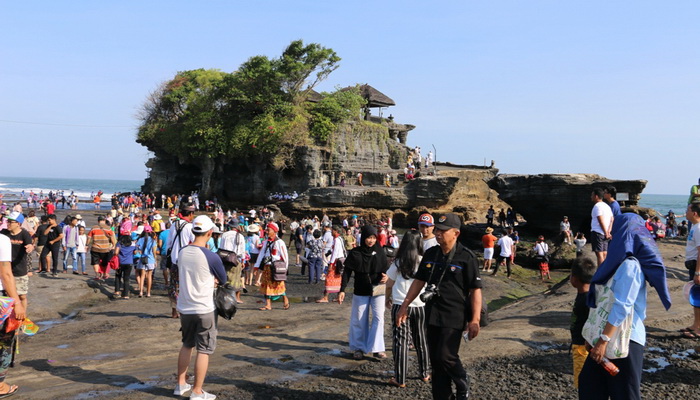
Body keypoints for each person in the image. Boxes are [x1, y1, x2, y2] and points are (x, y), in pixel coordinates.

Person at [579, 213, 671, 400]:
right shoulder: (615, 263)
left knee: (625, 394)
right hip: (607, 336)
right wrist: (593, 335)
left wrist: (603, 340)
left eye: (614, 229)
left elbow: (622, 307)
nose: (610, 234)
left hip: (625, 340)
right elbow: (603, 301)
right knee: (590, 386)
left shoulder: (630, 266)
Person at [396, 213, 482, 400]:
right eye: (437, 230)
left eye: (443, 230)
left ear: (456, 233)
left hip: (455, 314)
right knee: (435, 360)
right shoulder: (431, 253)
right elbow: (419, 281)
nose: (438, 233)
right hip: (432, 312)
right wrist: (405, 305)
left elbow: (476, 290)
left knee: (445, 355)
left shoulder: (466, 257)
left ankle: (462, 379)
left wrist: (474, 320)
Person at [174, 215, 226, 400]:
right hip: (204, 307)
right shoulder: (210, 255)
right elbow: (224, 279)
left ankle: (180, 384)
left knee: (187, 344)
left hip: (185, 306)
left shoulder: (182, 251)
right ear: (210, 232)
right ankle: (197, 391)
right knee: (204, 349)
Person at [385, 230, 430, 388]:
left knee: (400, 342)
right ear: (419, 244)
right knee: (421, 340)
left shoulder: (398, 262)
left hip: (400, 304)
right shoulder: (424, 261)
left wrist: (386, 299)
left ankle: (400, 378)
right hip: (419, 305)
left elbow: (389, 284)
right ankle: (424, 373)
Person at [338, 225, 389, 360]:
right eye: (368, 238)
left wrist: (387, 277)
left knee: (379, 318)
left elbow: (387, 269)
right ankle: (359, 348)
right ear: (363, 238)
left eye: (373, 238)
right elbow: (347, 272)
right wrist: (342, 290)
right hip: (360, 290)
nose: (371, 241)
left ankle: (377, 348)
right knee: (359, 319)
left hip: (378, 289)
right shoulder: (355, 253)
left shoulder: (380, 252)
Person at [0, 230, 26, 398]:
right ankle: (1, 386)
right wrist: (17, 303)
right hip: (1, 299)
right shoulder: (2, 240)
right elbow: (6, 273)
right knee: (4, 342)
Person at [569, 257, 596, 389]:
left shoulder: (586, 299)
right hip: (581, 344)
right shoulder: (588, 295)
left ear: (574, 278)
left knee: (583, 383)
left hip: (582, 346)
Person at [166, 205, 196, 319]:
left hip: (174, 259)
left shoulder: (174, 224)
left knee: (174, 286)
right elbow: (194, 242)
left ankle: (174, 311)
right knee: (186, 286)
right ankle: (184, 309)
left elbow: (169, 243)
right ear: (190, 214)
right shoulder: (189, 227)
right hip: (186, 260)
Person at [2, 212, 34, 313]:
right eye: (7, 221)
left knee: (22, 295)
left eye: (11, 222)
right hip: (5, 270)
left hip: (20, 269)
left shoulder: (24, 234)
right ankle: (9, 319)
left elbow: (30, 244)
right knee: (8, 295)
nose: (8, 223)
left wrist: (30, 247)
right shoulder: (3, 233)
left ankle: (22, 317)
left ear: (18, 224)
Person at [254, 222, 290, 311]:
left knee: (278, 284)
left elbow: (285, 256)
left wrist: (286, 268)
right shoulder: (266, 242)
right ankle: (268, 304)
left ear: (274, 231)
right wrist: (257, 266)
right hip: (267, 266)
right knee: (266, 285)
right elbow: (261, 254)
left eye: (268, 230)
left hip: (275, 267)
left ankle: (285, 300)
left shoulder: (279, 242)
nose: (266, 232)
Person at [679, 203, 700, 338]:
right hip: (693, 266)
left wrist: (698, 272)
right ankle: (696, 325)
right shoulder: (695, 227)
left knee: (698, 297)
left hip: (697, 267)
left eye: (688, 210)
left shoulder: (698, 229)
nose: (686, 212)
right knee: (696, 297)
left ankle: (698, 329)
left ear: (695, 213)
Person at [317, 225, 345, 303]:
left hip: (336, 262)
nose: (331, 232)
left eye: (332, 230)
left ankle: (326, 297)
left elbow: (335, 253)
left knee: (328, 279)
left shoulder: (336, 240)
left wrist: (331, 264)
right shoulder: (339, 239)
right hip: (339, 261)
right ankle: (338, 296)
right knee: (338, 279)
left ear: (336, 231)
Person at [87, 216, 116, 280]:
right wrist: (114, 245)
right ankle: (105, 273)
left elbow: (89, 237)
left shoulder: (94, 228)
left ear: (98, 221)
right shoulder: (108, 228)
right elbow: (112, 238)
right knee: (104, 262)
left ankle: (97, 275)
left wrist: (87, 245)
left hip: (95, 248)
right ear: (104, 221)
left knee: (95, 262)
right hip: (105, 249)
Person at [591, 188, 613, 266]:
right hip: (605, 233)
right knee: (604, 254)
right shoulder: (607, 206)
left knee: (600, 255)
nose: (591, 197)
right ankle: (605, 273)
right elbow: (611, 219)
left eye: (592, 195)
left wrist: (605, 232)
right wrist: (608, 232)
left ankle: (600, 274)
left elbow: (600, 220)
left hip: (598, 232)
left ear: (596, 196)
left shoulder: (597, 206)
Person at [135, 231, 157, 298]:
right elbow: (154, 252)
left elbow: (136, 248)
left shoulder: (140, 239)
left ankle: (141, 292)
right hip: (150, 259)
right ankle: (148, 293)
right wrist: (155, 260)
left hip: (142, 259)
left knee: (142, 276)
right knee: (149, 276)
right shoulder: (153, 241)